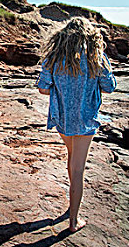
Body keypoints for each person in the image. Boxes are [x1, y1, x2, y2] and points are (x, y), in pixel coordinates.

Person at [35, 17, 117, 233]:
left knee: (73, 159)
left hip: (62, 118)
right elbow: (109, 87)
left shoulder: (53, 58)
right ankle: (73, 221)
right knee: (78, 168)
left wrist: (61, 88)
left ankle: (72, 205)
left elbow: (43, 88)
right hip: (85, 120)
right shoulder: (96, 57)